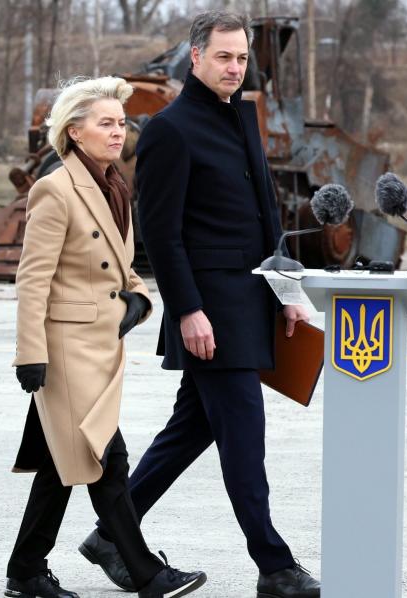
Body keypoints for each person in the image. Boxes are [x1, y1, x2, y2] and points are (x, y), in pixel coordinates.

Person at [77, 12, 322, 598]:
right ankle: (274, 564)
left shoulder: (244, 115)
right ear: (195, 58)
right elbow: (161, 234)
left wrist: (285, 294)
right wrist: (187, 310)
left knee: (191, 429)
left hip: (251, 300)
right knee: (244, 434)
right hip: (209, 311)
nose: (234, 68)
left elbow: (267, 216)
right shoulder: (171, 129)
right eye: (223, 58)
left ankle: (112, 533)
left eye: (241, 59)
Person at [8, 76, 206, 598]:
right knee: (106, 459)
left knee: (60, 465)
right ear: (74, 132)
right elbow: (33, 278)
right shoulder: (54, 188)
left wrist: (140, 298)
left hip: (103, 348)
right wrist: (30, 354)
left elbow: (123, 265)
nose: (119, 133)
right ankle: (146, 574)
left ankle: (25, 571)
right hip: (67, 349)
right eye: (106, 124)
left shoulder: (115, 184)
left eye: (122, 124)